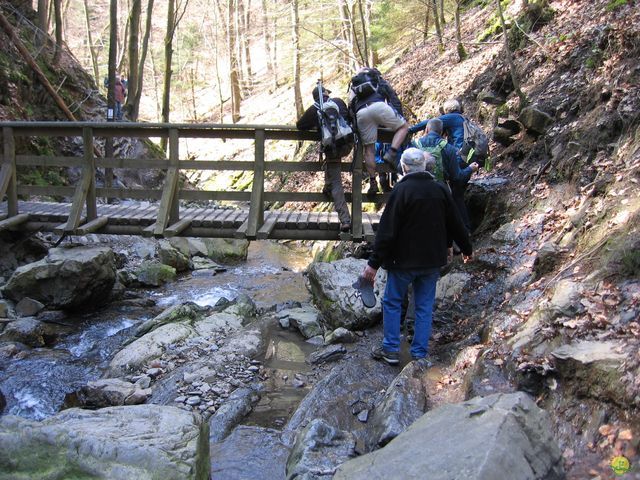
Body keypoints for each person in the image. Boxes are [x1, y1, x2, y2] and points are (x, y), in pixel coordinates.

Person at [361, 148, 472, 365]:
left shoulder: (401, 192)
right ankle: (419, 354)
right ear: (423, 166)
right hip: (432, 260)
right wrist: (466, 249)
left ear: (403, 167)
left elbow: (387, 232)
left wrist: (373, 265)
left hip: (402, 262)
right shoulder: (440, 189)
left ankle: (391, 350)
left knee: (392, 302)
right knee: (424, 305)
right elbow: (455, 223)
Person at [409, 99, 478, 232]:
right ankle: (464, 229)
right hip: (468, 156)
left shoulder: (453, 117)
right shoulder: (464, 119)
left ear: (447, 110)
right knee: (457, 194)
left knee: (454, 188)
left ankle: (460, 229)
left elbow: (431, 123)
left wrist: (410, 130)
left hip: (459, 156)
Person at [296, 85, 352, 232]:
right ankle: (327, 188)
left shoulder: (314, 109)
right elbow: (348, 117)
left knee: (336, 183)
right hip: (347, 143)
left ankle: (345, 220)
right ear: (327, 94)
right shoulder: (338, 102)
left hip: (332, 148)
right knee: (332, 174)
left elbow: (300, 126)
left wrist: (318, 125)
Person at [350, 68, 409, 195]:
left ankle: (373, 182)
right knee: (403, 127)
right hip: (379, 106)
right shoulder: (377, 79)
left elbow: (351, 104)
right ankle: (391, 153)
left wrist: (355, 125)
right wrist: (398, 116)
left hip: (361, 113)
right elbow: (393, 98)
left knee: (369, 149)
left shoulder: (354, 85)